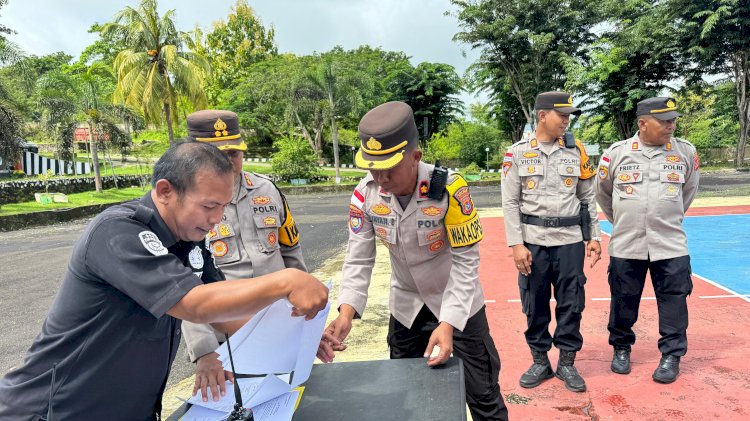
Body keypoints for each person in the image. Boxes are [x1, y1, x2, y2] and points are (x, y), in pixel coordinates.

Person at [0, 142, 328, 420]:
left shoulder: (189, 241)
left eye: (222, 207)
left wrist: (298, 335)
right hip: (54, 410)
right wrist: (285, 281)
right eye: (209, 206)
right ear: (165, 191)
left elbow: (223, 315)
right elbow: (195, 305)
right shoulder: (118, 232)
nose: (216, 219)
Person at [318, 101, 508, 421]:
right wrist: (346, 313)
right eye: (373, 167)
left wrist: (448, 323)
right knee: (406, 397)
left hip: (458, 306)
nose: (381, 177)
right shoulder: (365, 195)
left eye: (389, 167)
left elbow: (466, 264)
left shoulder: (449, 189)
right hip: (407, 308)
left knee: (483, 396)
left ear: (415, 157)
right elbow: (358, 258)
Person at [180, 110, 308, 401]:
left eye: (234, 153)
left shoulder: (267, 189)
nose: (229, 162)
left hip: (280, 328)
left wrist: (304, 318)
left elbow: (291, 251)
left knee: (293, 401)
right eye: (217, 155)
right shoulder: (188, 205)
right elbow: (184, 284)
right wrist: (204, 351)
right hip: (227, 342)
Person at [501, 91, 601, 392]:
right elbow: (510, 203)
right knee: (534, 303)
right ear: (542, 115)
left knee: (572, 303)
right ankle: (540, 361)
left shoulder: (577, 150)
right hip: (533, 242)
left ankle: (567, 363)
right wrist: (516, 245)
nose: (567, 120)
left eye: (570, 115)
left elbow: (587, 198)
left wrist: (593, 237)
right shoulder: (517, 153)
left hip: (569, 241)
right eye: (562, 115)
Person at [595, 96, 699, 384]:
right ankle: (621, 348)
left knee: (674, 301)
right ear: (642, 123)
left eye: (673, 120)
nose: (671, 125)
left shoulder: (685, 152)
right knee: (623, 300)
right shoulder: (617, 154)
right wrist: (626, 220)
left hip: (670, 243)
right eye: (664, 121)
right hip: (628, 243)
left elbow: (688, 192)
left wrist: (663, 217)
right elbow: (603, 193)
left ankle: (671, 356)